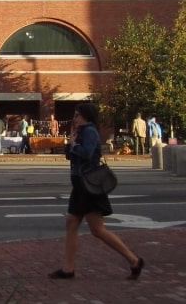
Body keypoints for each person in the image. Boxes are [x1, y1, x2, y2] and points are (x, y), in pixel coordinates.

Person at [49, 102, 143, 280]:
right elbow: (71, 155)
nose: (74, 118)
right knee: (79, 224)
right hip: (81, 184)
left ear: (86, 116)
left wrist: (74, 144)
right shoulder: (81, 132)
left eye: (77, 115)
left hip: (88, 185)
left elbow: (86, 153)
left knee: (93, 228)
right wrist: (70, 143)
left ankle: (134, 260)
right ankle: (69, 268)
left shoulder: (90, 132)